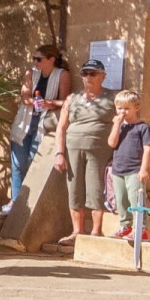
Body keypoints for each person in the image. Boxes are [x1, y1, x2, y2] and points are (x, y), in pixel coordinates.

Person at [53, 58, 117, 247]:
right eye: (85, 73)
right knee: (74, 189)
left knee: (96, 189)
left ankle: (96, 231)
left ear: (103, 76)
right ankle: (76, 232)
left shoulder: (113, 97)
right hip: (73, 149)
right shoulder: (72, 99)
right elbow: (61, 127)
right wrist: (59, 152)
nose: (88, 77)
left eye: (93, 73)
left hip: (99, 150)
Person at [4, 43, 67, 213]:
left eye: (38, 59)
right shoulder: (31, 73)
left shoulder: (62, 75)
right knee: (17, 163)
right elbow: (25, 96)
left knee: (33, 162)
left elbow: (65, 102)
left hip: (44, 123)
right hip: (25, 122)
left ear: (51, 60)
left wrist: (48, 104)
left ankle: (29, 204)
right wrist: (35, 102)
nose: (35, 62)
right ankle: (15, 200)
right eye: (33, 58)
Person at [106, 90, 150, 237]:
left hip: (134, 170)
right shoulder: (120, 126)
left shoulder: (143, 127)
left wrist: (144, 169)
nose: (123, 112)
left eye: (127, 108)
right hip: (118, 170)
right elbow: (111, 143)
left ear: (136, 108)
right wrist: (116, 125)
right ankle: (125, 225)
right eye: (120, 108)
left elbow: (148, 149)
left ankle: (141, 228)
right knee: (121, 200)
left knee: (136, 199)